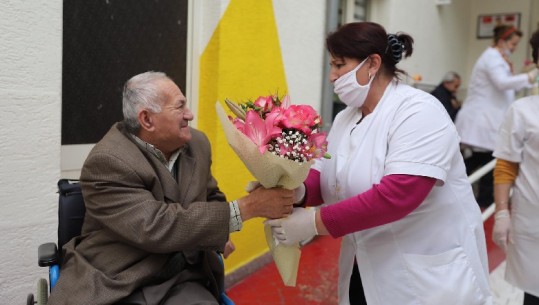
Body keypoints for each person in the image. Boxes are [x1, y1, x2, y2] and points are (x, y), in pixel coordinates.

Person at [267, 22, 492, 305]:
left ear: (372, 63)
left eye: (339, 65)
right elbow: (324, 175)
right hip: (367, 266)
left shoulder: (419, 111)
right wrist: (293, 192)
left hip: (426, 275)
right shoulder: (345, 118)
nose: (332, 76)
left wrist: (314, 222)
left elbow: (398, 196)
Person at [47, 71, 295, 305]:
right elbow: (155, 226)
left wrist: (220, 234)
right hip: (121, 277)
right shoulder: (108, 162)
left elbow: (211, 195)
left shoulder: (197, 143)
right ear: (147, 119)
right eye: (179, 107)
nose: (190, 114)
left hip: (183, 274)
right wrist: (245, 209)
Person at [454, 24, 538, 208]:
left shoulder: (501, 58)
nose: (515, 47)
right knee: (485, 160)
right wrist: (529, 77)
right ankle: (481, 200)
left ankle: (480, 199)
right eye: (514, 43)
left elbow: (510, 86)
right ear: (502, 41)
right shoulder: (491, 57)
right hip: (481, 120)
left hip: (489, 120)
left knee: (485, 161)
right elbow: (501, 83)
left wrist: (524, 78)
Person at [492, 30, 539, 305]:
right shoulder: (523, 111)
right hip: (533, 219)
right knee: (534, 293)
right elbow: (506, 165)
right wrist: (500, 213)